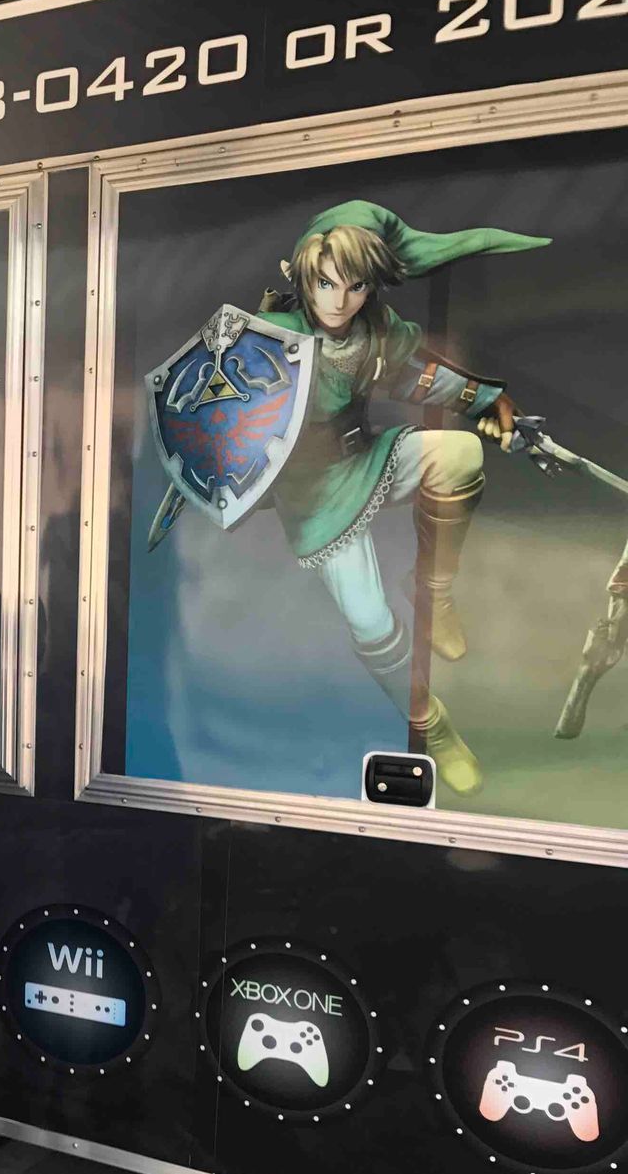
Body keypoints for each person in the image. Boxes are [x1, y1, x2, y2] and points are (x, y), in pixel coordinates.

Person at [152, 200, 548, 796]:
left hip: (364, 456)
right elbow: (210, 419)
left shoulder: (375, 332)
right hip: (314, 497)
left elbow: (420, 377)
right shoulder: (264, 339)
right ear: (302, 277)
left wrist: (487, 401)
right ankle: (431, 725)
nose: (339, 301)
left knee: (462, 455)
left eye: (355, 286)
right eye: (326, 284)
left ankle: (433, 592)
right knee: (372, 623)